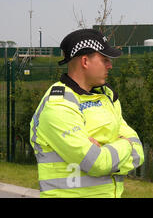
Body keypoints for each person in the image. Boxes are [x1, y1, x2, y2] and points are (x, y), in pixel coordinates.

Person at [29, 29, 144, 198]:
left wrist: (106, 151)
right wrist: (125, 145)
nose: (110, 65)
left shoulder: (106, 97)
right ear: (85, 61)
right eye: (104, 59)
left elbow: (139, 153)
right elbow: (96, 162)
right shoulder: (58, 105)